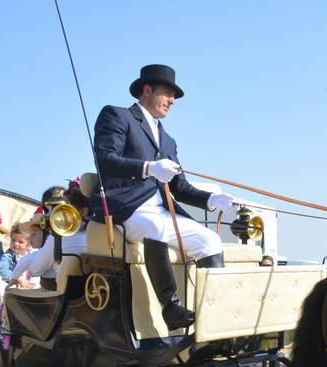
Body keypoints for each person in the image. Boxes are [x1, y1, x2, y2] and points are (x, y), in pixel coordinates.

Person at [91, 64, 234, 330]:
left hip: (162, 209)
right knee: (155, 227)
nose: (172, 101)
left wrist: (211, 201)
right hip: (127, 206)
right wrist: (148, 168)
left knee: (210, 240)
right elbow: (106, 159)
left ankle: (217, 315)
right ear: (148, 89)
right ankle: (170, 307)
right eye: (168, 94)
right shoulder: (117, 116)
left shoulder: (168, 141)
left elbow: (179, 187)